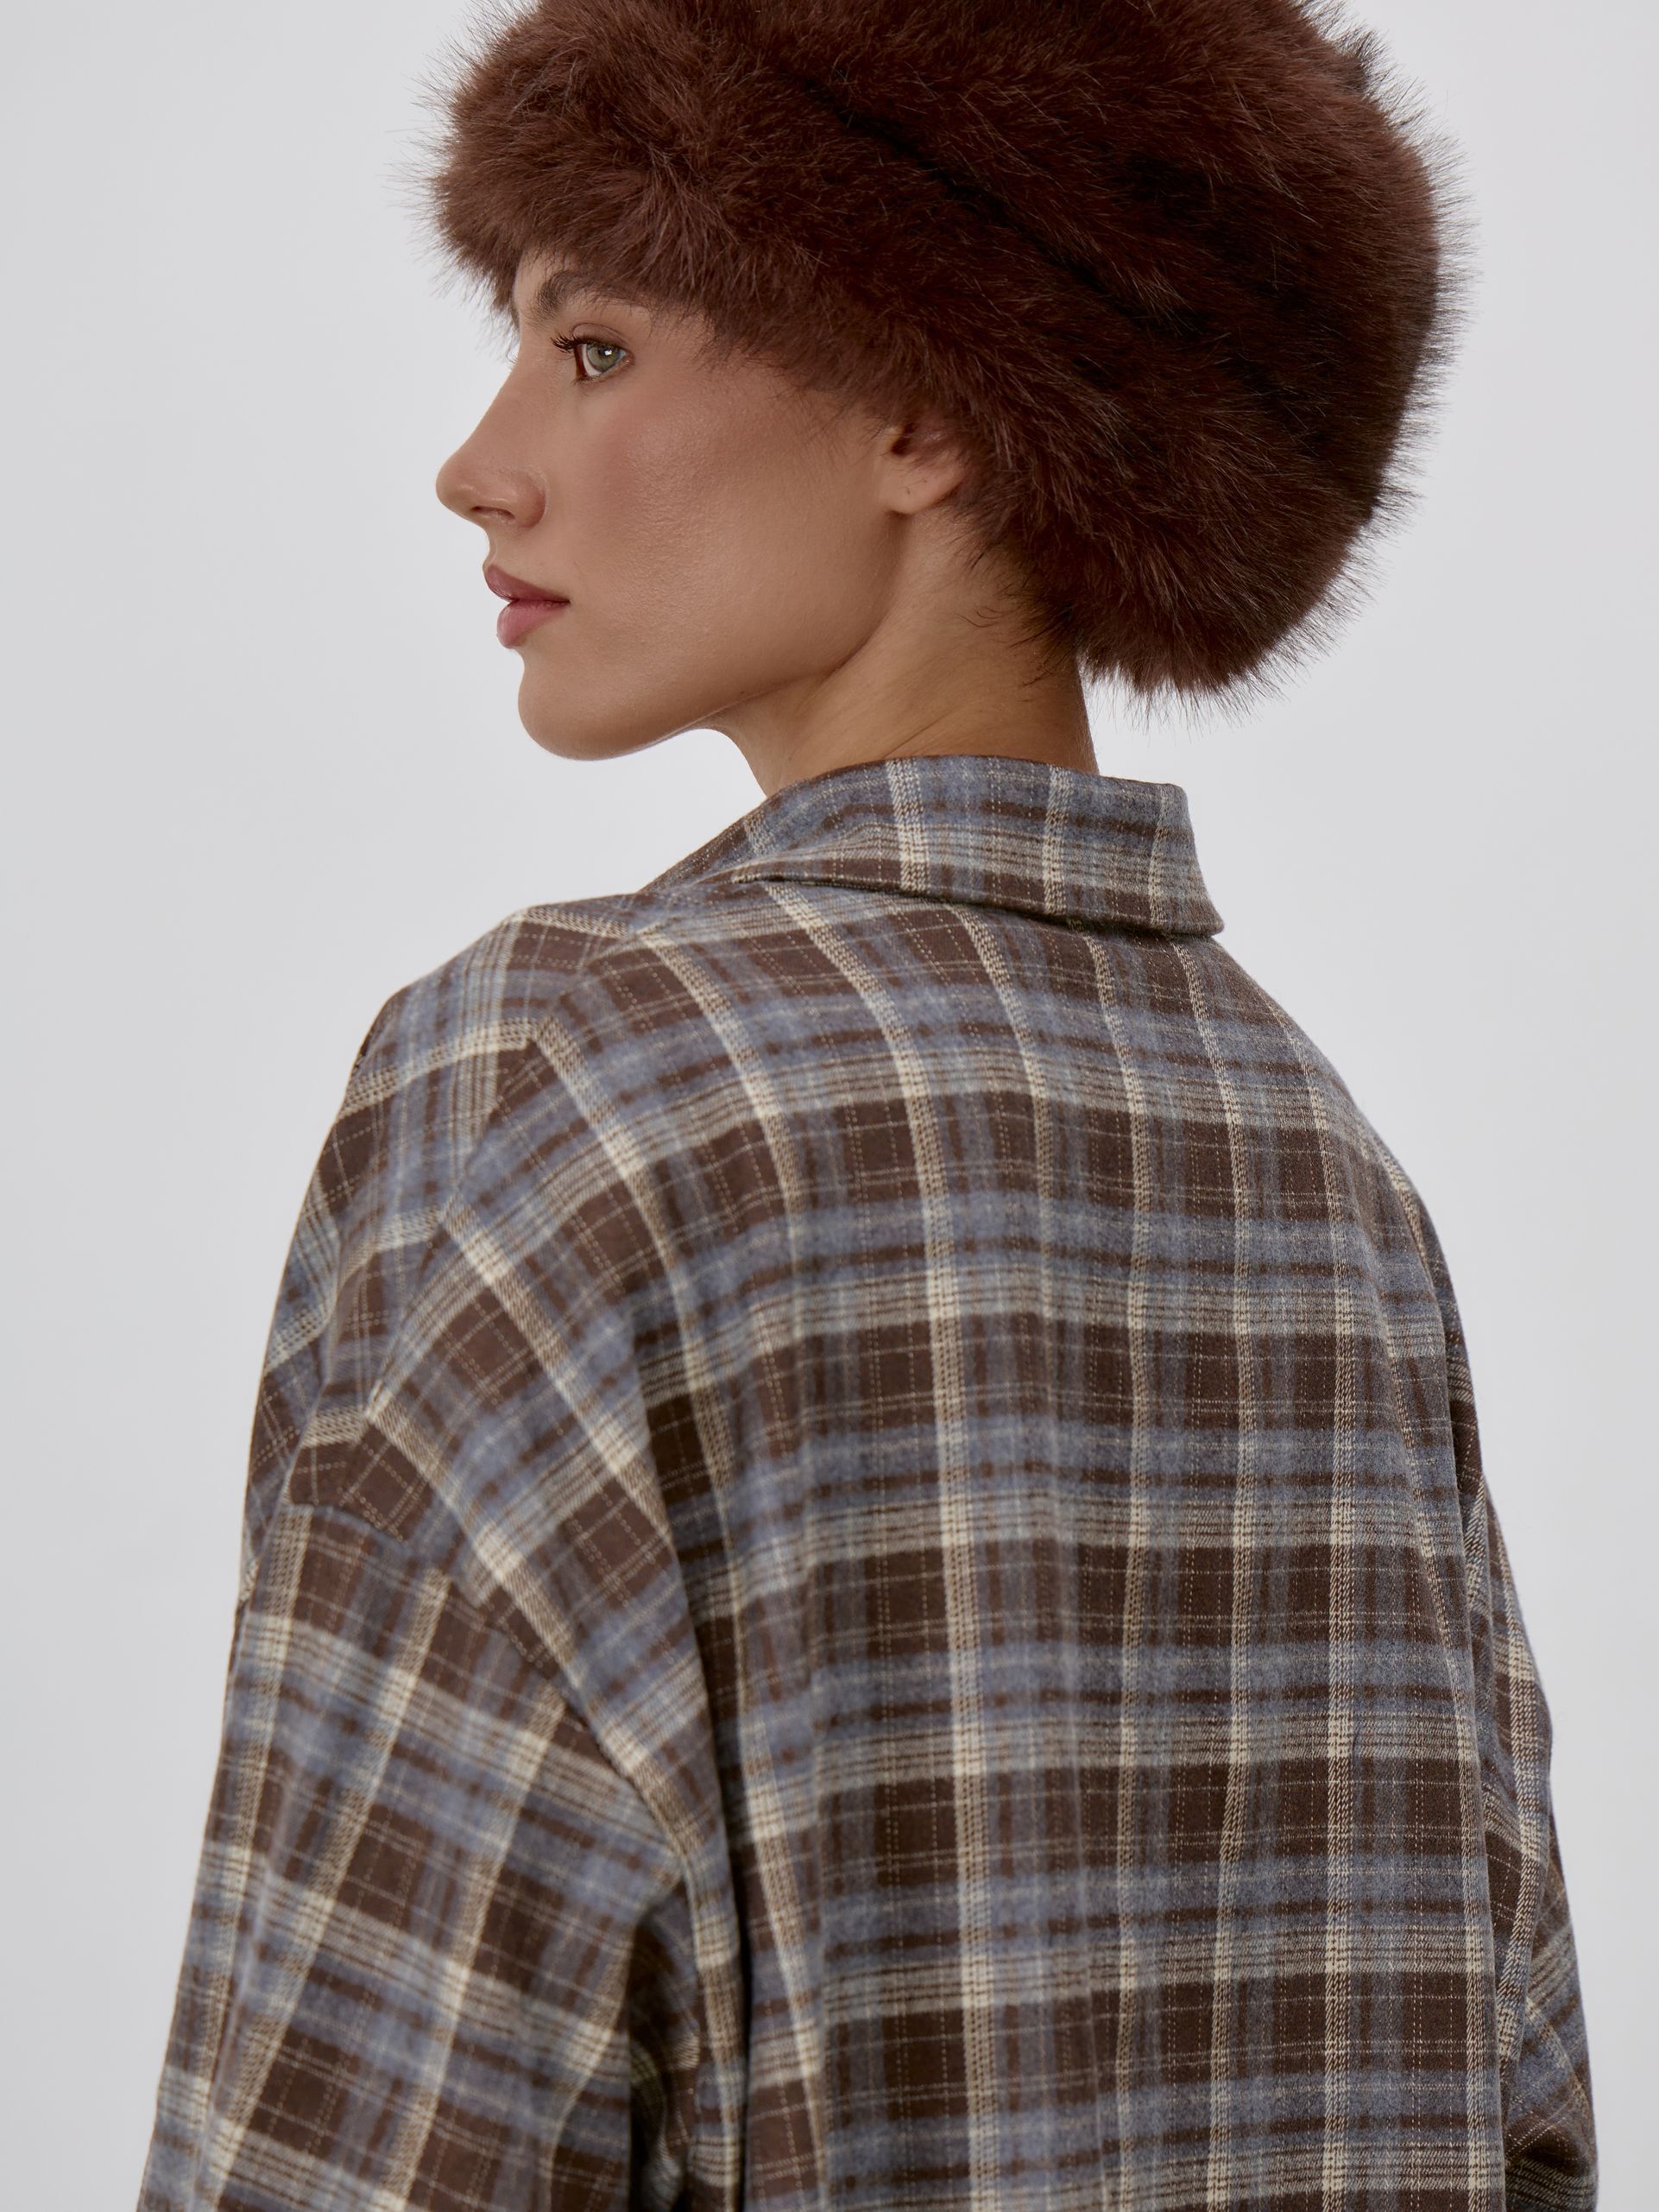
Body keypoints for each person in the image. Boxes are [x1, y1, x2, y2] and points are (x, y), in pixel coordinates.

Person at [134, 3, 1597, 2208]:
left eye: (593, 348)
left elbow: (360, 2133)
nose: (480, 462)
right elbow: (1522, 2112)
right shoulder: (1328, 1180)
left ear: (926, 408)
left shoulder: (562, 1089)